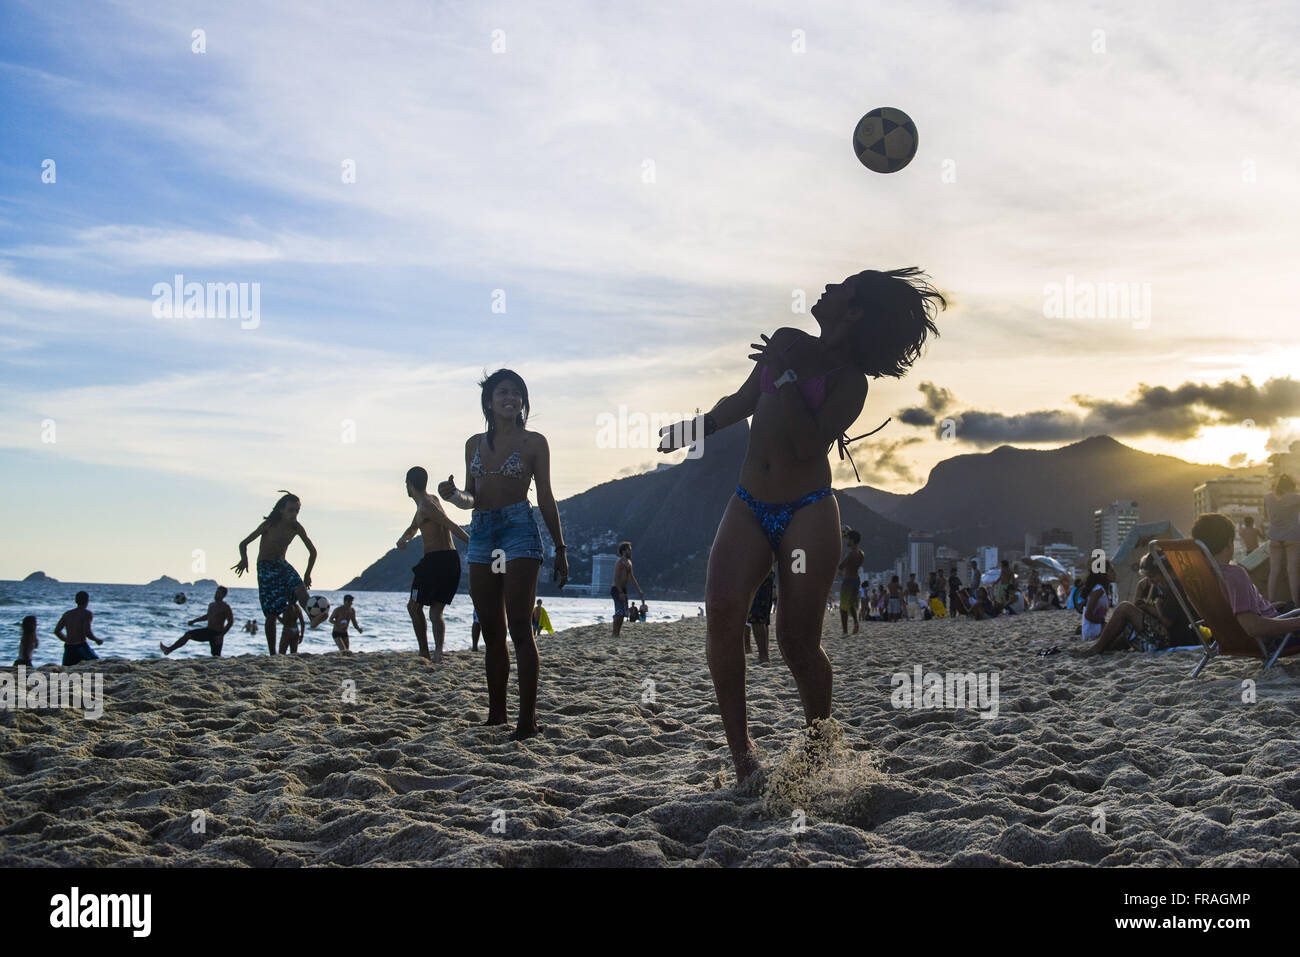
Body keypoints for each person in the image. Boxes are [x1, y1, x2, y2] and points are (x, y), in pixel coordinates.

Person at [658, 267, 944, 783]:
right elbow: (743, 402)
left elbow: (808, 443)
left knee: (796, 641)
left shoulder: (849, 383)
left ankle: (818, 747)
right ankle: (743, 756)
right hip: (749, 501)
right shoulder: (788, 340)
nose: (828, 287)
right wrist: (694, 428)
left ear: (854, 311)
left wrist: (788, 380)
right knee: (723, 610)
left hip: (808, 511)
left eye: (842, 287)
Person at [439, 369, 567, 739]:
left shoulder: (534, 443)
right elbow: (470, 497)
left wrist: (560, 548)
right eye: (502, 392)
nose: (510, 398)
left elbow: (544, 495)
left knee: (520, 629)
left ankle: (527, 723)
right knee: (492, 631)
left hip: (518, 531)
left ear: (523, 402)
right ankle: (497, 715)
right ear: (489, 401)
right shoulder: (473, 444)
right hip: (481, 533)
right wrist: (451, 495)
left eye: (516, 393)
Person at [1189, 512, 1300, 656]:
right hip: (1275, 638)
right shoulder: (1234, 574)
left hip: (1239, 634)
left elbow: (1232, 614)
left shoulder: (1201, 577)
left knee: (1287, 606)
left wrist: (1266, 608)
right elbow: (1252, 627)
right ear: (1230, 542)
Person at [233, 491, 322, 654]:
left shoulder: (296, 527)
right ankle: (273, 653)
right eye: (291, 510)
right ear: (282, 509)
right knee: (271, 613)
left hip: (282, 564)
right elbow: (243, 543)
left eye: (297, 510)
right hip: (265, 567)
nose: (294, 514)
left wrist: (307, 574)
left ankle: (313, 618)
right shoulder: (269, 524)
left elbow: (313, 551)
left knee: (300, 588)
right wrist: (244, 559)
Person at [398, 466, 470, 662]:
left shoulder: (426, 506)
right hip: (450, 561)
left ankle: (425, 652)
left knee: (414, 607)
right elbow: (413, 527)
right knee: (435, 611)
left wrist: (474, 545)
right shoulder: (430, 501)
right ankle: (437, 653)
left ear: (409, 484)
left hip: (436, 562)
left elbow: (451, 525)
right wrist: (404, 539)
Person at [1073, 551, 1192, 657]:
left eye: (1152, 576)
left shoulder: (1174, 587)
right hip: (1168, 636)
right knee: (1125, 625)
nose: (1150, 581)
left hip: (1170, 638)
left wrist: (1149, 607)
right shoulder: (1165, 586)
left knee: (1124, 607)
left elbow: (1168, 621)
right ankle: (1101, 647)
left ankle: (1096, 649)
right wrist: (1143, 598)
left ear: (1163, 572)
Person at [161, 585, 233, 656]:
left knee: (216, 656)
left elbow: (230, 622)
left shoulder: (225, 607)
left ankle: (168, 650)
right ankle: (168, 650)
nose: (216, 594)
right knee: (188, 635)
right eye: (216, 592)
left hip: (217, 634)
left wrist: (221, 635)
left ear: (223, 595)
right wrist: (194, 621)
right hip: (208, 631)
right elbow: (207, 616)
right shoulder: (211, 605)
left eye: (219, 593)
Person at [1265, 475, 1300, 604]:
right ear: (1291, 486)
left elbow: (1266, 514)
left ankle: (1270, 603)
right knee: (1293, 572)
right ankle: (1297, 604)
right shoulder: (1295, 498)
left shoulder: (1267, 497)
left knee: (1274, 571)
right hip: (1293, 538)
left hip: (1274, 537)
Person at [54, 591, 103, 665]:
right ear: (87, 601)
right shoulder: (86, 613)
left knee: (67, 669)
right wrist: (97, 640)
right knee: (98, 664)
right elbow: (87, 632)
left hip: (68, 647)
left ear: (76, 601)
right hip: (80, 647)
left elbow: (57, 631)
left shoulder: (67, 614)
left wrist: (67, 639)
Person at [610, 542, 645, 639]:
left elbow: (631, 578)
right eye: (629, 549)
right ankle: (614, 634)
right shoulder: (619, 563)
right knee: (619, 612)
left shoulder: (629, 563)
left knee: (623, 614)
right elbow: (616, 579)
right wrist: (620, 592)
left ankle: (617, 634)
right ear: (624, 551)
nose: (631, 551)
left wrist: (639, 590)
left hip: (623, 589)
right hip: (617, 590)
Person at [743, 566, 776, 664]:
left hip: (757, 571)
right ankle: (760, 654)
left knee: (756, 617)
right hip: (763, 571)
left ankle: (763, 656)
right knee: (761, 617)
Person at [1078, 563, 1117, 641]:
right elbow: (1087, 614)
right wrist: (1102, 623)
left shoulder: (1104, 589)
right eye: (1111, 571)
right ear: (1104, 574)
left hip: (1097, 626)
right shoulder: (1099, 590)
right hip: (1092, 630)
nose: (1115, 573)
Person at [837, 529, 864, 634]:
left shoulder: (851, 554)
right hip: (856, 580)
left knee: (843, 608)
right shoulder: (861, 553)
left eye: (847, 539)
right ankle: (856, 623)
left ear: (852, 540)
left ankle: (845, 631)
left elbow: (841, 566)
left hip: (848, 581)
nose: (846, 541)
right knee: (851, 604)